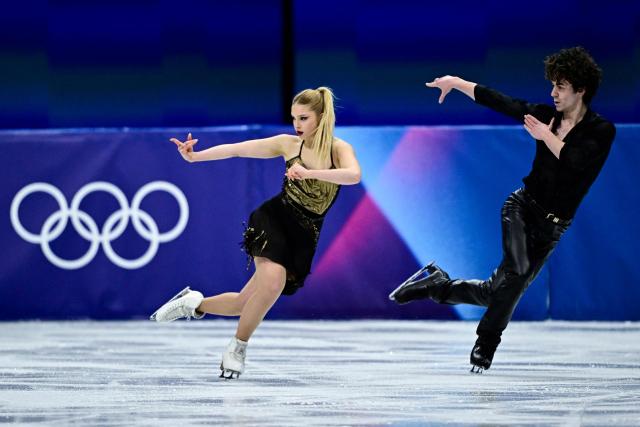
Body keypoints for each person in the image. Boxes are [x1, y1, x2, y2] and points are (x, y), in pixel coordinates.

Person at [389, 46, 616, 373]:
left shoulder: (601, 130)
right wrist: (456, 82)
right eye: (552, 84)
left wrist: (544, 135)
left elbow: (576, 162)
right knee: (518, 274)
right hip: (522, 209)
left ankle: (436, 285)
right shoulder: (544, 115)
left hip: (553, 229)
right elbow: (502, 102)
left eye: (560, 86)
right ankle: (487, 343)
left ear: (580, 89)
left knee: (497, 290)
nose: (552, 93)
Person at [150, 87, 361, 379]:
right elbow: (239, 148)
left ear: (322, 117)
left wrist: (310, 173)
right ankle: (237, 348)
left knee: (242, 303)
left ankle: (193, 303)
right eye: (293, 118)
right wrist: (195, 157)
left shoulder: (339, 149)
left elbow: (353, 175)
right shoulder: (289, 145)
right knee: (272, 283)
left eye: (303, 118)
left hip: (305, 233)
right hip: (275, 219)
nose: (297, 125)